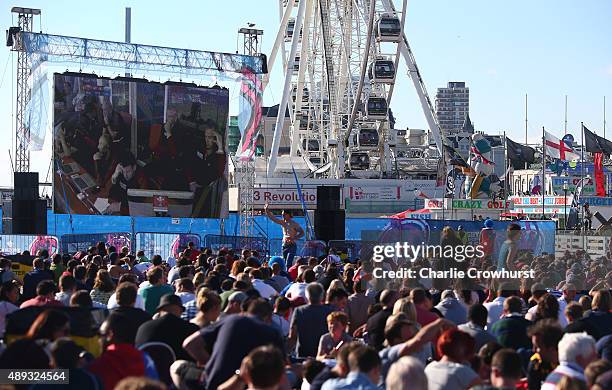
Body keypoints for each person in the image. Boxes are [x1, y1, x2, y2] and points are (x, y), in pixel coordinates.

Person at [180, 298, 285, 390]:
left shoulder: (230, 320)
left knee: (177, 366)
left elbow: (189, 344)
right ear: (268, 318)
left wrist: (210, 365)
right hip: (248, 384)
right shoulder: (272, 333)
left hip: (210, 383)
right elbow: (282, 373)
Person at [87, 312, 158, 390]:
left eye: (100, 334)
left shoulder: (97, 365)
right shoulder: (146, 360)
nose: (98, 340)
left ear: (110, 335)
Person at [135, 294, 199, 361]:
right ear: (180, 311)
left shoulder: (143, 328)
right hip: (179, 370)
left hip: (147, 370)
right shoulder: (191, 329)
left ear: (159, 311)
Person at [290, 282, 335, 358]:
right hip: (323, 353)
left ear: (307, 295)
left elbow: (292, 334)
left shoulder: (299, 311)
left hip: (303, 353)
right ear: (322, 295)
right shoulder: (329, 311)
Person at [526, 319, 563, 390]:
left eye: (537, 347)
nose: (533, 350)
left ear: (551, 348)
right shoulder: (536, 363)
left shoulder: (569, 361)